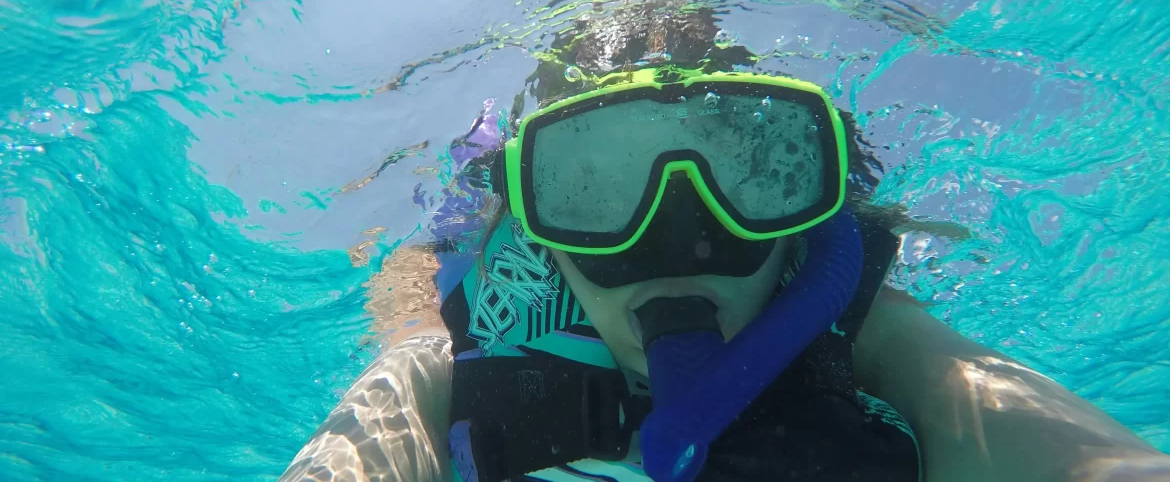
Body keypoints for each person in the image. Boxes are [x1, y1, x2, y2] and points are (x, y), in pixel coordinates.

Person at [279, 65, 1169, 482]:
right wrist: (410, 350)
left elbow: (971, 397)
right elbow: (402, 384)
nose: (678, 241)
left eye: (745, 177)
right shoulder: (475, 321)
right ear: (540, 227)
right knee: (413, 323)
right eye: (592, 186)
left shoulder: (869, 326)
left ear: (804, 219)